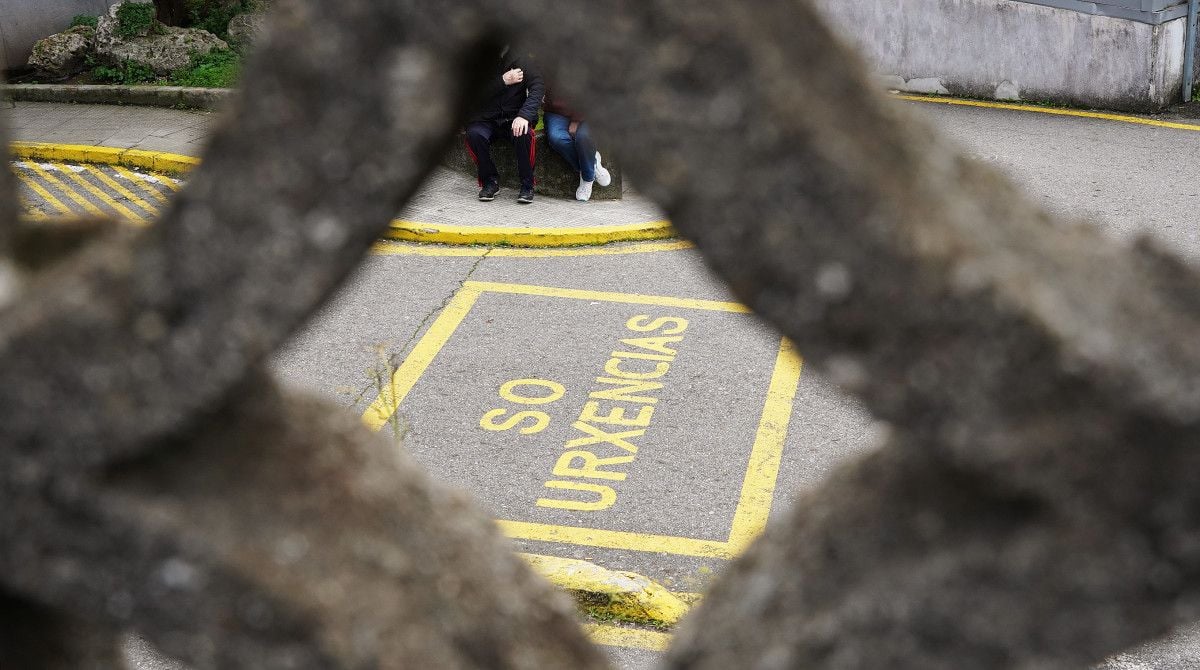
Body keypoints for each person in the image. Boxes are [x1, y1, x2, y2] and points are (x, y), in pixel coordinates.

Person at [465, 46, 545, 204]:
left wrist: (524, 115)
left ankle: (527, 185)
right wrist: (503, 81)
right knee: (474, 135)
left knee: (524, 134)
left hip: (514, 117)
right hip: (485, 118)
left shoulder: (522, 57)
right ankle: (490, 182)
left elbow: (537, 85)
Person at [543, 90, 611, 202]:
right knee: (557, 138)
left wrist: (576, 120)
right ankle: (592, 165)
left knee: (584, 137)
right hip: (557, 112)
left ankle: (587, 179)